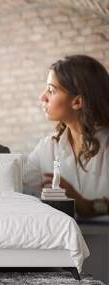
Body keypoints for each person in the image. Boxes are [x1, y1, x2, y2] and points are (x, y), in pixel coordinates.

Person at [23, 55, 109, 218]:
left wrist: (89, 206)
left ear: (77, 102)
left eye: (51, 90)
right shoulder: (47, 147)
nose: (42, 97)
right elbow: (18, 185)